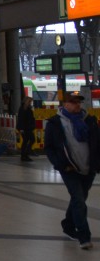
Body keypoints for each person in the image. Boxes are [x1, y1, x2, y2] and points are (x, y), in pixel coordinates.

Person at [43, 93, 100, 250]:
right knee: (79, 201)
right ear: (65, 104)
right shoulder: (55, 123)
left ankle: (68, 225)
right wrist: (60, 164)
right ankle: (84, 236)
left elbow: (97, 143)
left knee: (79, 199)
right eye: (73, 102)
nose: (77, 105)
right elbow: (49, 147)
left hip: (88, 167)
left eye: (79, 102)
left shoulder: (89, 120)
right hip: (69, 168)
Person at [17, 94, 36, 162]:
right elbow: (21, 119)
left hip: (28, 127)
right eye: (29, 101)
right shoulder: (23, 109)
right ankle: (25, 154)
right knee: (30, 140)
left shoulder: (27, 108)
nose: (30, 103)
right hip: (25, 128)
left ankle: (25, 154)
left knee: (27, 141)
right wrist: (21, 128)